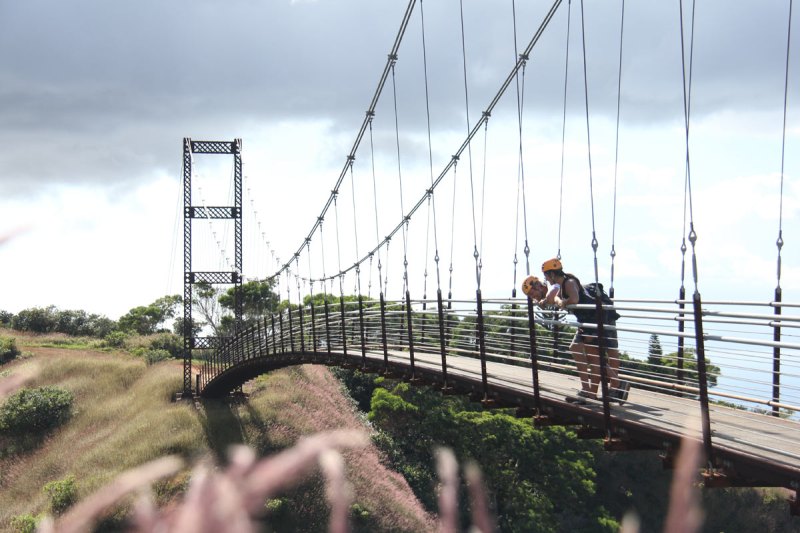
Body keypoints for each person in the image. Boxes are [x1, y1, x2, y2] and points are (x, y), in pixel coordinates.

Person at [537, 257, 629, 405]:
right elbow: (552, 298)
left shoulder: (569, 282)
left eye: (546, 275)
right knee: (577, 349)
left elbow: (573, 299)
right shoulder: (559, 286)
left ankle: (600, 390)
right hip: (586, 321)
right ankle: (596, 389)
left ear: (552, 274)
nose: (546, 279)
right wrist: (545, 302)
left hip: (594, 320)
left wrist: (561, 302)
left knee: (594, 357)